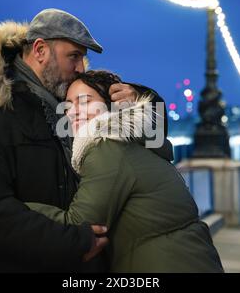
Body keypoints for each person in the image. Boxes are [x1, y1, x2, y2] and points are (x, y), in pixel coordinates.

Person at [0, 8, 170, 272]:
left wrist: (143, 98)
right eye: (74, 56)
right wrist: (75, 242)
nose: (80, 68)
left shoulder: (72, 110)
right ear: (40, 51)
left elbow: (149, 137)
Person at [26, 70, 225, 273]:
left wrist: (14, 208)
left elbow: (79, 223)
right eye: (68, 106)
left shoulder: (107, 146)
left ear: (111, 105)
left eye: (84, 102)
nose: (73, 112)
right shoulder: (135, 141)